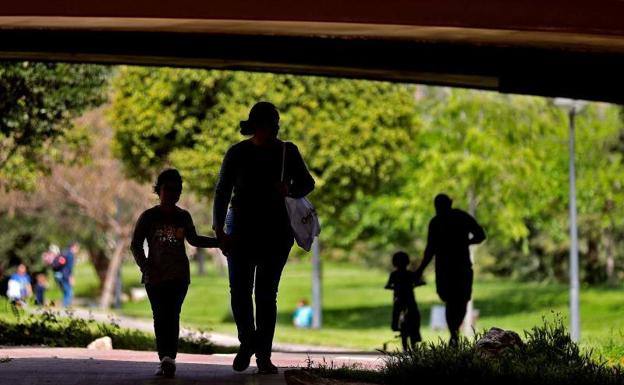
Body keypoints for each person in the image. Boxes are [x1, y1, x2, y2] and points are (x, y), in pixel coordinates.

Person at [213, 101, 315, 374]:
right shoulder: (236, 153)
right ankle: (248, 343)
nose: (270, 131)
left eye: (272, 126)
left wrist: (289, 188)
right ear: (255, 126)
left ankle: (262, 356)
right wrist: (218, 229)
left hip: (275, 232)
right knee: (241, 293)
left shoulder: (287, 151)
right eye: (266, 125)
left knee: (265, 295)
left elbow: (308, 183)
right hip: (243, 231)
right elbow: (222, 191)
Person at [131, 168, 218, 378]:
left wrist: (219, 242)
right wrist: (145, 265)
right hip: (155, 276)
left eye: (176, 190)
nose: (172, 194)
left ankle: (169, 358)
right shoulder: (149, 216)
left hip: (179, 276)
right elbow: (135, 245)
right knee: (160, 317)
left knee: (173, 315)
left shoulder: (183, 216)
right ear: (158, 190)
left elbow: (194, 240)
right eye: (168, 189)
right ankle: (165, 359)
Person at [415, 193, 486, 346]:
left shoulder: (439, 221)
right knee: (457, 299)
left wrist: (420, 269)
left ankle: (454, 333)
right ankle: (454, 332)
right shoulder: (458, 218)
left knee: (455, 300)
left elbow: (430, 250)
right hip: (455, 267)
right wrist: (466, 242)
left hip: (450, 267)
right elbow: (480, 235)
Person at [385, 251, 423, 351]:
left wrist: (392, 287)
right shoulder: (410, 274)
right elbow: (418, 282)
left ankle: (395, 325)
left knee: (396, 312)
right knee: (415, 316)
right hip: (409, 299)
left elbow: (388, 285)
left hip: (399, 298)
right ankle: (415, 336)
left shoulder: (394, 274)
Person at [54, 242, 78, 307]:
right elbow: (69, 268)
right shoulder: (70, 255)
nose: (77, 249)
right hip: (65, 276)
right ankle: (65, 307)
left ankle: (64, 306)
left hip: (59, 275)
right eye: (77, 247)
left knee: (66, 292)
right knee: (69, 292)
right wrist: (71, 277)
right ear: (73, 247)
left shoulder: (64, 253)